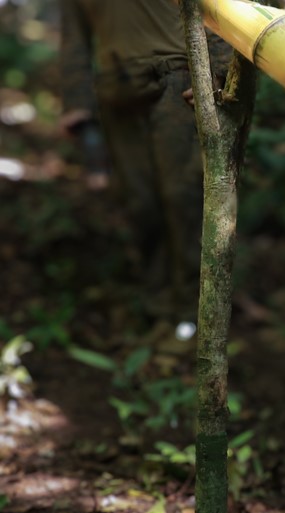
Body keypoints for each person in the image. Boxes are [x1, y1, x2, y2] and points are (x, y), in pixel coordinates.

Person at [59, 0, 232, 308]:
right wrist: (77, 100)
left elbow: (216, 8)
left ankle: (191, 313)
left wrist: (218, 72)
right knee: (140, 201)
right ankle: (158, 304)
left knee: (182, 196)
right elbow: (75, 38)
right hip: (116, 90)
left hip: (178, 80)